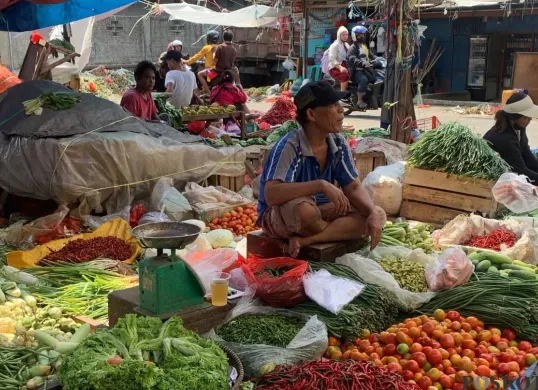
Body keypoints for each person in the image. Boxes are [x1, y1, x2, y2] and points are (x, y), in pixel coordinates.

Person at [257, 80, 386, 257]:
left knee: (377, 213)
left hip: (321, 212)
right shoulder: (290, 146)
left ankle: (307, 240)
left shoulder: (338, 142)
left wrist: (371, 213)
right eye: (333, 105)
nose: (341, 109)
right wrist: (320, 185)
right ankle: (335, 232)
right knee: (306, 212)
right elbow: (271, 195)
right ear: (311, 114)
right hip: (282, 215)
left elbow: (353, 187)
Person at [484, 92, 538, 183]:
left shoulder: (519, 127)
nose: (530, 120)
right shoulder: (505, 139)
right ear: (514, 118)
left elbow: (526, 154)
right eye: (526, 118)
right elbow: (521, 171)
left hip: (513, 167)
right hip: (492, 175)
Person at [347, 25, 376, 109]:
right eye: (360, 35)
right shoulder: (353, 47)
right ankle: (359, 100)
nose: (362, 37)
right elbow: (351, 57)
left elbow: (371, 56)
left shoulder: (363, 46)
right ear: (354, 36)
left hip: (366, 69)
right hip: (356, 71)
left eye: (363, 35)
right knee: (364, 79)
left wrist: (380, 59)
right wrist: (360, 63)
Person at [327, 26, 350, 93]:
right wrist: (340, 67)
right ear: (339, 35)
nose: (345, 36)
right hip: (335, 67)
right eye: (343, 35)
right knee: (345, 76)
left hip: (345, 65)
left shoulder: (347, 45)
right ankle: (342, 94)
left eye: (346, 35)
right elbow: (331, 59)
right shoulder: (334, 45)